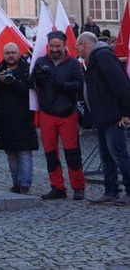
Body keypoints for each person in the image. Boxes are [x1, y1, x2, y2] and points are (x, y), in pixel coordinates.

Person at [28, 30, 86, 201]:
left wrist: (62, 86)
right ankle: (57, 187)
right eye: (52, 46)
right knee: (50, 153)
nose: (54, 49)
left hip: (67, 113)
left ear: (64, 46)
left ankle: (78, 186)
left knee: (72, 152)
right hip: (47, 113)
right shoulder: (41, 61)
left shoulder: (73, 63)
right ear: (48, 46)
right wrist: (36, 76)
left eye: (57, 46)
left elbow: (79, 84)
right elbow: (30, 84)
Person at [76, 32, 130, 205]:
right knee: (106, 155)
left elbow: (121, 84)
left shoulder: (103, 57)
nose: (77, 50)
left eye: (77, 46)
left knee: (118, 154)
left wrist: (125, 112)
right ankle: (111, 190)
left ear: (84, 44)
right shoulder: (96, 59)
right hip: (102, 116)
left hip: (113, 116)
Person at [0, 42, 38, 194]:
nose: (10, 56)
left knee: (24, 152)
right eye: (7, 53)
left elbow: (30, 90)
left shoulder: (27, 70)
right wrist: (0, 81)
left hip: (23, 118)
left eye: (13, 53)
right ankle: (16, 182)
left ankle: (25, 184)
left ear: (19, 53)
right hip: (4, 119)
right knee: (11, 153)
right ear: (3, 54)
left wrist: (14, 82)